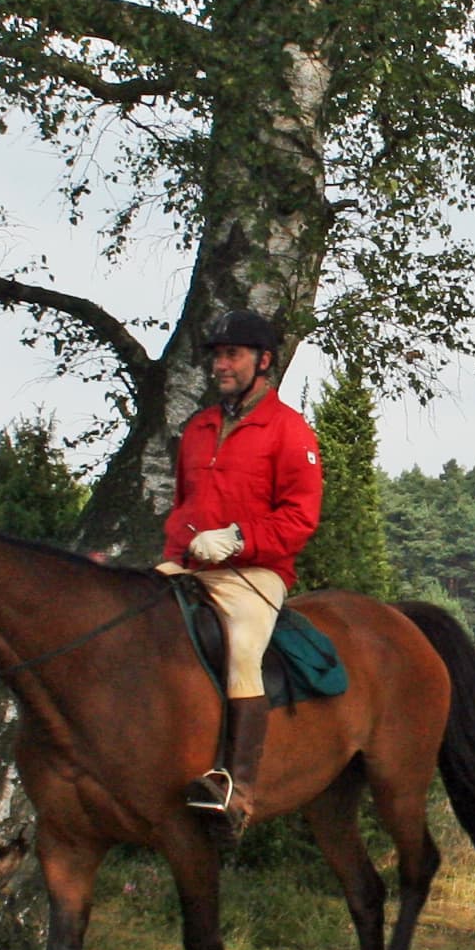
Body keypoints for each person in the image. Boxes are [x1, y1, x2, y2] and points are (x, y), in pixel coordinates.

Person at [155, 308, 324, 838]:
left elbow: (300, 518)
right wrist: (175, 553)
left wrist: (237, 539)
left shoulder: (291, 431)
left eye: (232, 355)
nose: (221, 365)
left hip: (255, 573)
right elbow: (184, 504)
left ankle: (238, 788)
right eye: (217, 355)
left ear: (263, 361)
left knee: (242, 651)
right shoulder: (199, 429)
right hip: (188, 565)